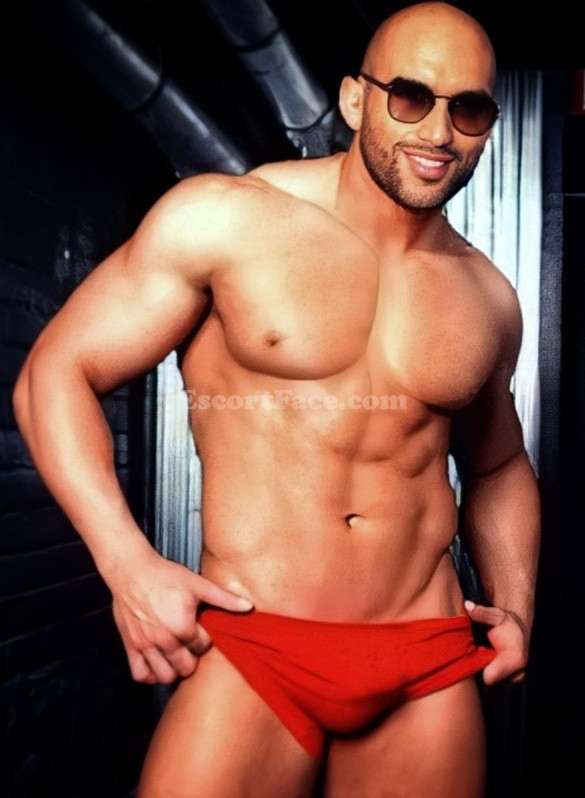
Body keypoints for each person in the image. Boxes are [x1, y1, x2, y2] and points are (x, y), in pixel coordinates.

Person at [13, 2, 540, 796]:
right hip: (255, 644)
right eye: (409, 97)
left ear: (487, 126)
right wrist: (127, 566)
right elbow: (56, 373)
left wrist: (518, 606)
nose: (437, 132)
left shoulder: (487, 297)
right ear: (355, 99)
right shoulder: (226, 219)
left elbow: (498, 465)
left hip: (423, 655)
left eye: (467, 109)